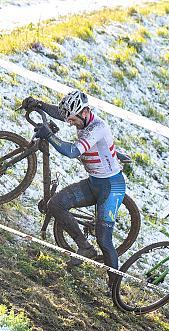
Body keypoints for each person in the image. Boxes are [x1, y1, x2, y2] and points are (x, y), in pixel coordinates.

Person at [21, 90, 126, 288]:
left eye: (72, 119)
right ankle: (84, 247)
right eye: (69, 119)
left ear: (84, 112)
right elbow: (61, 114)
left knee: (105, 241)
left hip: (111, 187)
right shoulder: (80, 117)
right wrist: (40, 104)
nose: (69, 123)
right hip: (94, 182)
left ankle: (114, 287)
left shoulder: (97, 128)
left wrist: (50, 136)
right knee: (56, 205)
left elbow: (72, 151)